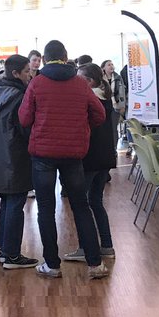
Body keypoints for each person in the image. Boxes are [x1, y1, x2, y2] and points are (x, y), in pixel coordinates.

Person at [18, 40, 108, 280]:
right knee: (81, 206)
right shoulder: (80, 83)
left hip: (43, 155)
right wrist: (82, 127)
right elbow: (99, 114)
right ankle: (95, 264)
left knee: (46, 209)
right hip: (73, 154)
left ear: (45, 59)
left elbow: (24, 119)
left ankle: (52, 264)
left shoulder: (37, 83)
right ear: (66, 57)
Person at [0, 55, 37, 270]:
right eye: (27, 71)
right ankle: (12, 255)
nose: (30, 75)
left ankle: (4, 250)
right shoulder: (19, 96)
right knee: (16, 203)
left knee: (7, 201)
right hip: (15, 156)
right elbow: (25, 129)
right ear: (15, 73)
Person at [65, 64, 117, 262]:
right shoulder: (105, 97)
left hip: (89, 157)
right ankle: (107, 245)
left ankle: (85, 248)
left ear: (89, 81)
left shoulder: (88, 99)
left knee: (81, 205)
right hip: (105, 157)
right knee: (96, 202)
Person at [102, 59, 126, 148]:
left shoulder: (118, 77)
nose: (111, 66)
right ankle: (105, 146)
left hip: (115, 106)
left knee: (114, 128)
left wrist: (122, 106)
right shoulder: (100, 78)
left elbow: (122, 92)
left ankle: (114, 147)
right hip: (104, 105)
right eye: (109, 65)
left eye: (112, 64)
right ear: (103, 68)